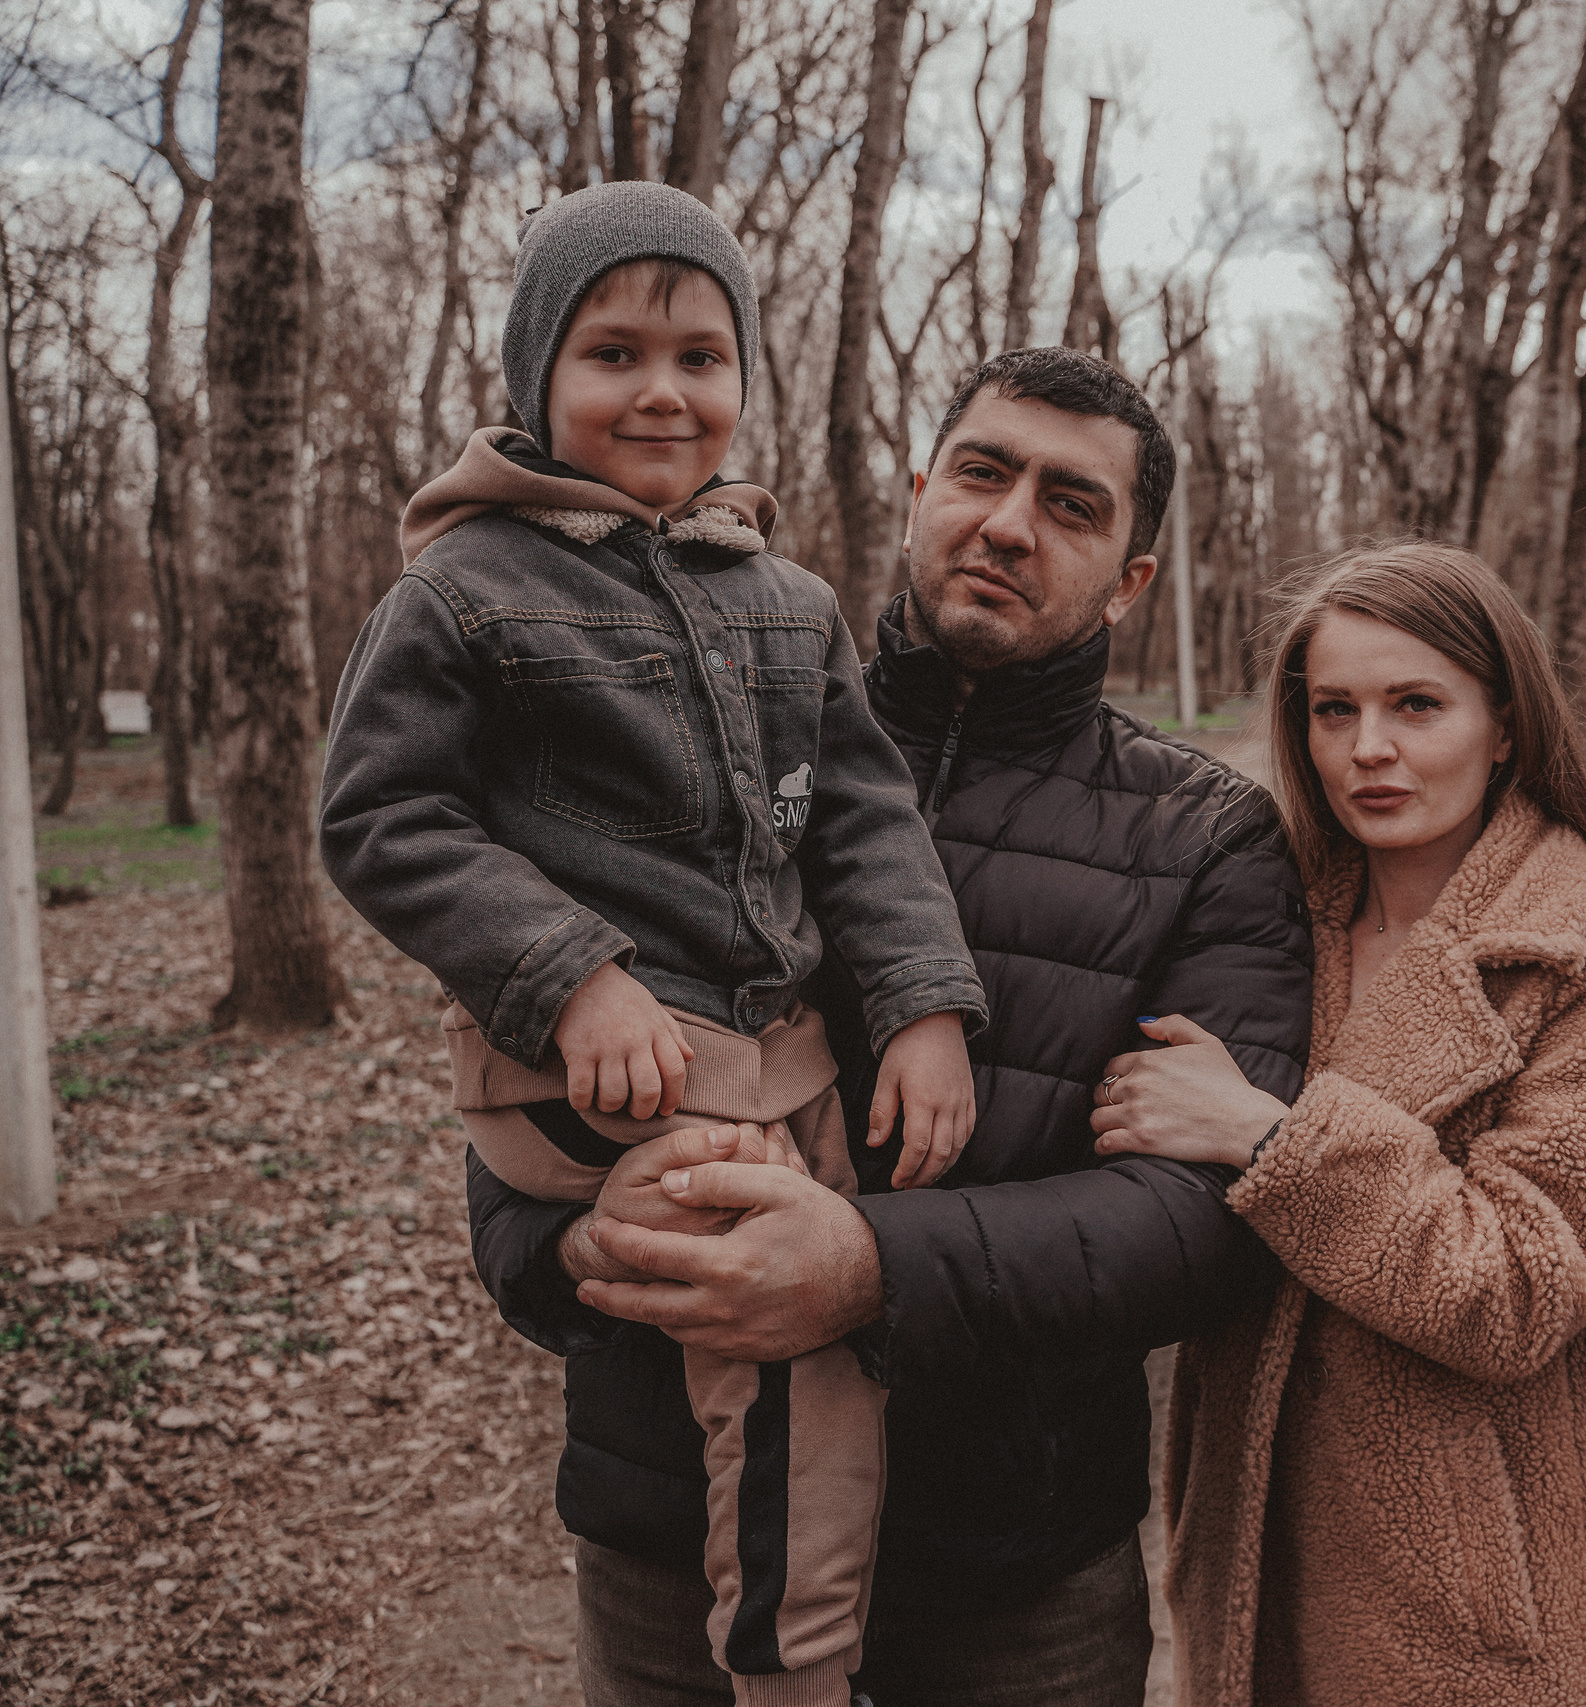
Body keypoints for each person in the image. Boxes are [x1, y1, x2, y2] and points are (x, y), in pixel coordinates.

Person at [465, 345, 1314, 1707]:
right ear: (921, 492)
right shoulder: (682, 733)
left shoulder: (1205, 837)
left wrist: (870, 1267)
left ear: (1132, 580)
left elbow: (1199, 1223)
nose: (1009, 523)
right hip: (677, 1548)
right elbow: (521, 1049)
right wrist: (570, 1247)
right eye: (982, 472)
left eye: (1072, 505)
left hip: (1013, 1585)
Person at [320, 181, 985, 1705]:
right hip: (594, 1069)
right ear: (536, 376)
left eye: (701, 356)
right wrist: (570, 973)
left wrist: (926, 1006)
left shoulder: (790, 600)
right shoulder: (465, 589)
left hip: (776, 1052)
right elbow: (379, 813)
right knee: (778, 1325)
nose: (664, 391)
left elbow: (866, 824)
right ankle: (791, 1671)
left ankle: (854, 1617)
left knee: (866, 1272)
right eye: (613, 353)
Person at [1090, 543, 1586, 1706]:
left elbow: (1521, 1287)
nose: (1368, 747)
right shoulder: (1268, 923)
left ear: (1503, 726)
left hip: (1494, 1608)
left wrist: (1268, 1139)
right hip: (1262, 1555)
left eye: (1416, 705)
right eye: (1334, 710)